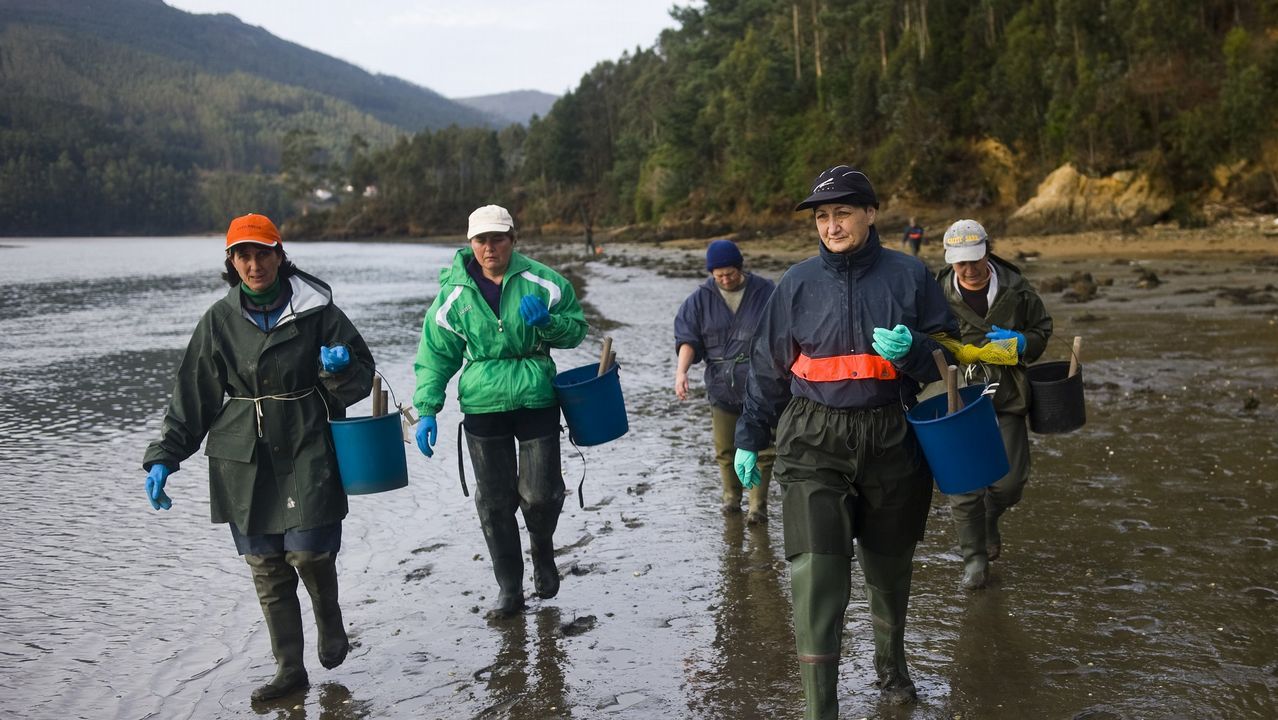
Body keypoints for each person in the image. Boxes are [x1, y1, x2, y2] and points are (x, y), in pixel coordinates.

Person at [732, 165, 958, 714]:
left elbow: (953, 358)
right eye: (823, 216)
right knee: (817, 571)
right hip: (814, 438)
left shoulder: (910, 276)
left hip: (892, 435)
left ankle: (892, 667)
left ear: (871, 214)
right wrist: (749, 436)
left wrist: (916, 351)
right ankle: (819, 708)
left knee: (889, 566)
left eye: (843, 213)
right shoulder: (796, 284)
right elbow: (768, 368)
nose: (831, 225)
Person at [141, 213, 375, 702]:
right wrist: (165, 456)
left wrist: (339, 368)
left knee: (310, 552)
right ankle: (290, 669)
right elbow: (193, 395)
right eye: (242, 255)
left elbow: (360, 375)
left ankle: (329, 621)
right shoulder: (218, 321)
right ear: (231, 262)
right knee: (266, 566)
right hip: (242, 455)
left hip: (308, 439)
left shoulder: (318, 311)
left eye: (262, 253)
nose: (254, 264)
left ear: (279, 254)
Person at [412, 204, 587, 618]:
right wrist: (427, 409)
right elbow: (436, 355)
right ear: (470, 243)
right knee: (494, 502)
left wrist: (547, 323)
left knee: (541, 495)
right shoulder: (453, 295)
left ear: (513, 239)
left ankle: (542, 552)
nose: (489, 248)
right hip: (481, 404)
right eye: (481, 240)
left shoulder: (543, 282)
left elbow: (576, 330)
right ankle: (510, 589)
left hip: (536, 396)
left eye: (497, 239)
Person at [934, 219, 1053, 590]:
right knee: (963, 486)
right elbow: (921, 336)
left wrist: (1023, 342)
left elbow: (1043, 330)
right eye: (959, 262)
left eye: (974, 259)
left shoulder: (1017, 288)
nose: (968, 269)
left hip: (1007, 391)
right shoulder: (935, 291)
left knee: (1010, 482)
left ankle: (989, 519)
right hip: (956, 394)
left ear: (988, 251)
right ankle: (974, 559)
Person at [673, 239, 777, 524]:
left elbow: (784, 333)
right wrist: (681, 372)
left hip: (761, 385)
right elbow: (688, 339)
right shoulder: (699, 300)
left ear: (740, 268)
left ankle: (758, 506)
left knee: (764, 449)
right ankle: (731, 498)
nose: (725, 280)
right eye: (718, 276)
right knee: (725, 448)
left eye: (729, 273)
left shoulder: (766, 291)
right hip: (721, 386)